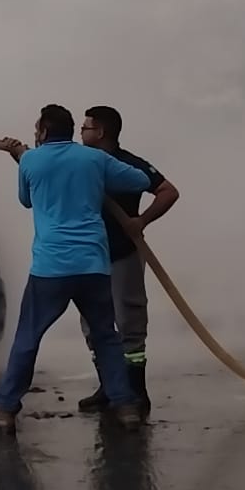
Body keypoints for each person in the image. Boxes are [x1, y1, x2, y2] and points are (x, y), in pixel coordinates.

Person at [0, 104, 154, 433]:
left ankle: (4, 410)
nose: (35, 134)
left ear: (45, 132)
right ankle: (126, 408)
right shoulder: (95, 159)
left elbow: (26, 200)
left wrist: (23, 158)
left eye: (38, 129)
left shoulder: (31, 160)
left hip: (51, 267)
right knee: (107, 337)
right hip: (93, 265)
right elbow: (140, 180)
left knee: (28, 338)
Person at [74, 105, 179, 415]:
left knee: (130, 322)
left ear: (101, 132)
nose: (81, 133)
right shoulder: (81, 164)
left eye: (86, 128)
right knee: (94, 325)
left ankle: (137, 391)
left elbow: (168, 192)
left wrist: (141, 221)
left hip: (123, 254)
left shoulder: (129, 165)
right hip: (91, 257)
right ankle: (109, 387)